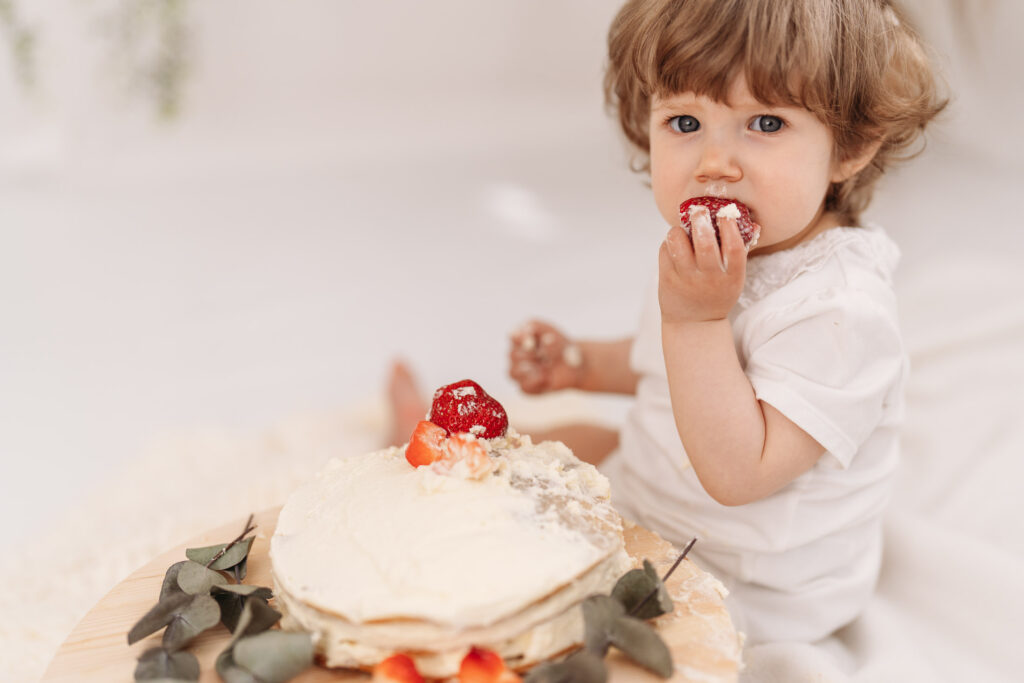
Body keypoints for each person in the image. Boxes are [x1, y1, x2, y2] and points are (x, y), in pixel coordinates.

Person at [391, 0, 946, 645]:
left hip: (738, 580)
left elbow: (739, 472)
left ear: (851, 147)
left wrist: (696, 320)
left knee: (550, 608)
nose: (715, 161)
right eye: (685, 121)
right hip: (652, 495)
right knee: (557, 442)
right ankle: (429, 448)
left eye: (765, 122)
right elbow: (668, 365)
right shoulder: (727, 254)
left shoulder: (842, 313)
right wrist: (585, 365)